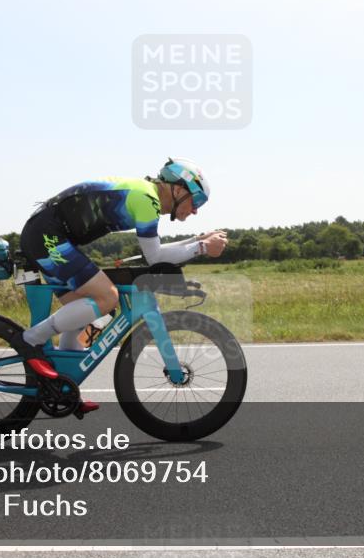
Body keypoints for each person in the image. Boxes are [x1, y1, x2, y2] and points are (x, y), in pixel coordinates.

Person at [13, 158, 228, 414]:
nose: (195, 211)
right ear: (179, 189)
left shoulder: (146, 195)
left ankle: (63, 384)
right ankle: (31, 340)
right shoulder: (147, 200)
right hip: (47, 235)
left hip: (49, 233)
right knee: (108, 297)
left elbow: (155, 251)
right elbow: (155, 257)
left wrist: (196, 240)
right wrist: (202, 247)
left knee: (84, 310)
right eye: (197, 201)